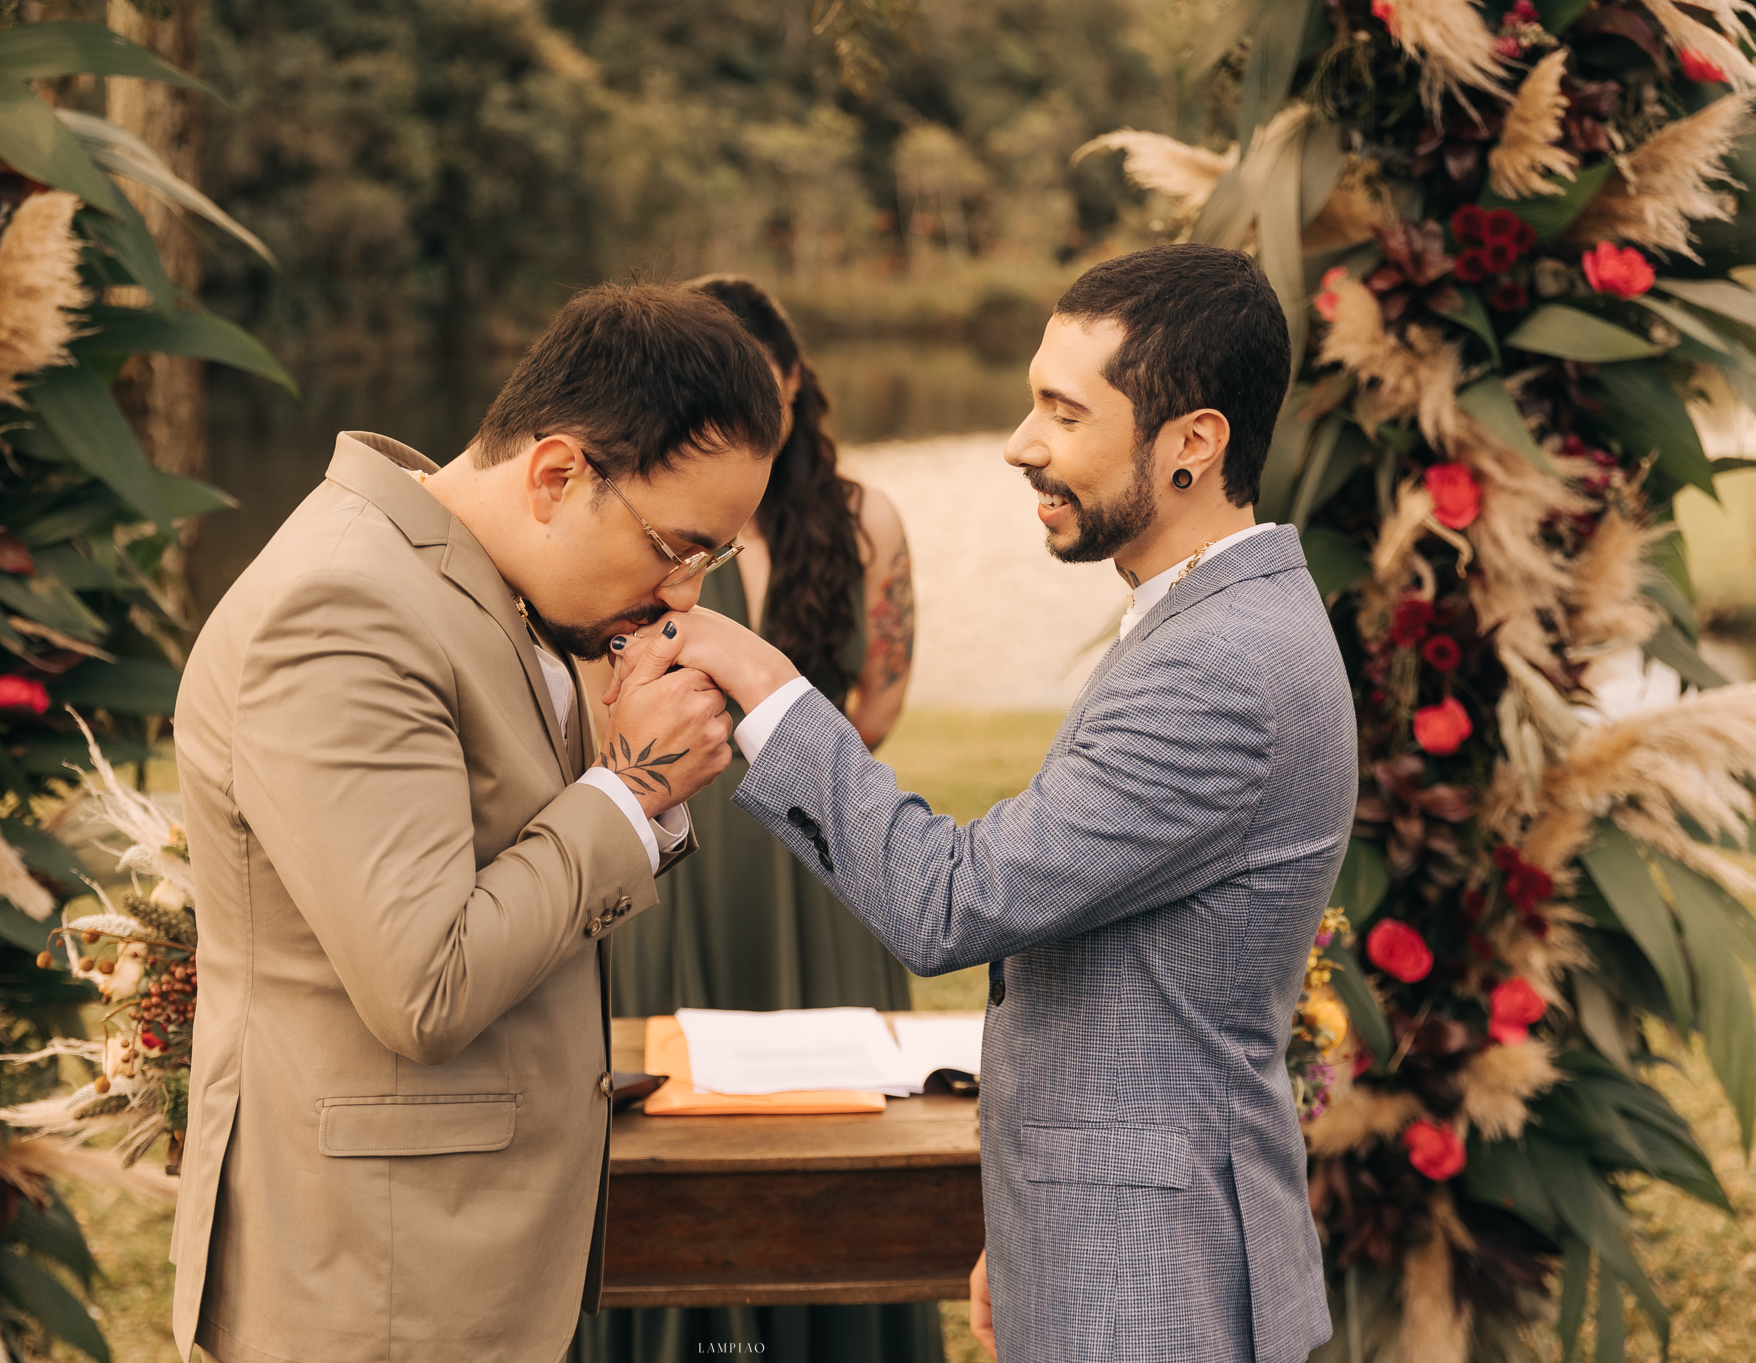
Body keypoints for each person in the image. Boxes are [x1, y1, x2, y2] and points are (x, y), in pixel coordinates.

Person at [608, 244, 1358, 1362]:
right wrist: (1029, 1224)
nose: (1021, 446)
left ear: (1192, 443)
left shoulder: (1219, 668)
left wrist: (760, 679)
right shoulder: (1204, 624)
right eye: (1027, 405)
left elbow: (950, 903)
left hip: (1151, 1275)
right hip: (1103, 1228)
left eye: (1063, 412)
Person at [168, 281, 785, 1363]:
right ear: (555, 475)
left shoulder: (484, 582)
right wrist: (631, 792)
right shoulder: (343, 609)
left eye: (710, 561)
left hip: (463, 1257)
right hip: (377, 1288)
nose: (685, 594)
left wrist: (619, 763)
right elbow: (426, 983)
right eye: (676, 546)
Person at [573, 277, 937, 1363]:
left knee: (835, 1125)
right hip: (671, 844)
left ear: (789, 383)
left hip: (818, 856)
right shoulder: (643, 529)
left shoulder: (866, 518)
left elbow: (877, 705)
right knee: (669, 1127)